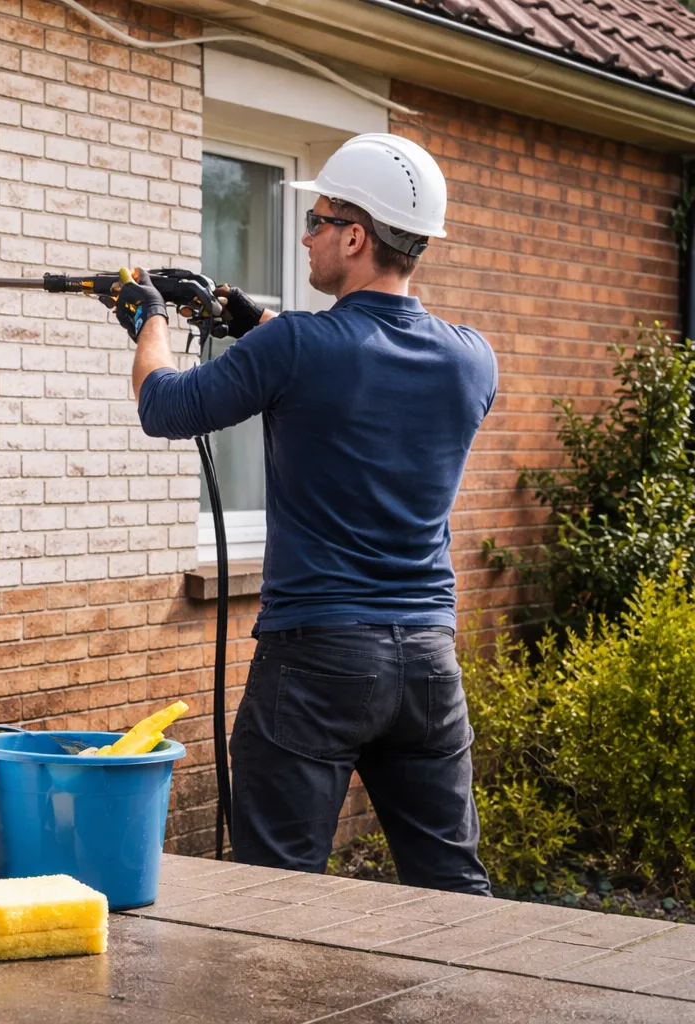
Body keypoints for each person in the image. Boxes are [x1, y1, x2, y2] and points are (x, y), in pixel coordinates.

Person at [111, 133, 497, 895]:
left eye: (318, 220)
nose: (307, 234)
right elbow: (356, 362)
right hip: (426, 661)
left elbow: (165, 405)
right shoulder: (471, 358)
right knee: (453, 882)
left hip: (318, 659)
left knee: (279, 890)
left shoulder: (296, 345)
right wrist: (256, 324)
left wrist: (146, 319)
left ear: (357, 237)